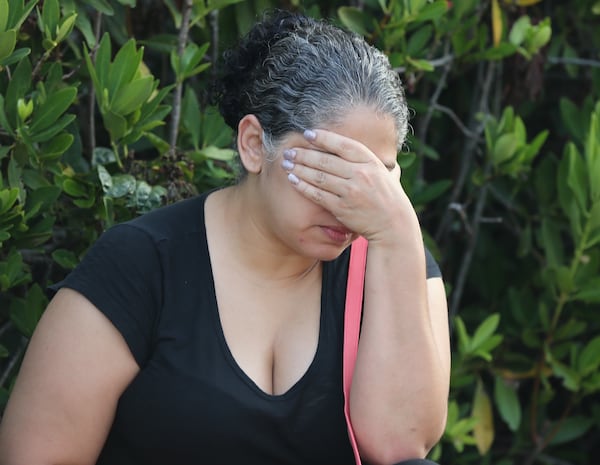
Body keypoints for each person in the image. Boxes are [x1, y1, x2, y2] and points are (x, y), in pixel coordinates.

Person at [0, 9, 450, 465]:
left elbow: (400, 450)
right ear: (254, 145)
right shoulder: (141, 264)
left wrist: (398, 233)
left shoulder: (394, 260)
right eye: (328, 172)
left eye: (372, 180)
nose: (349, 204)